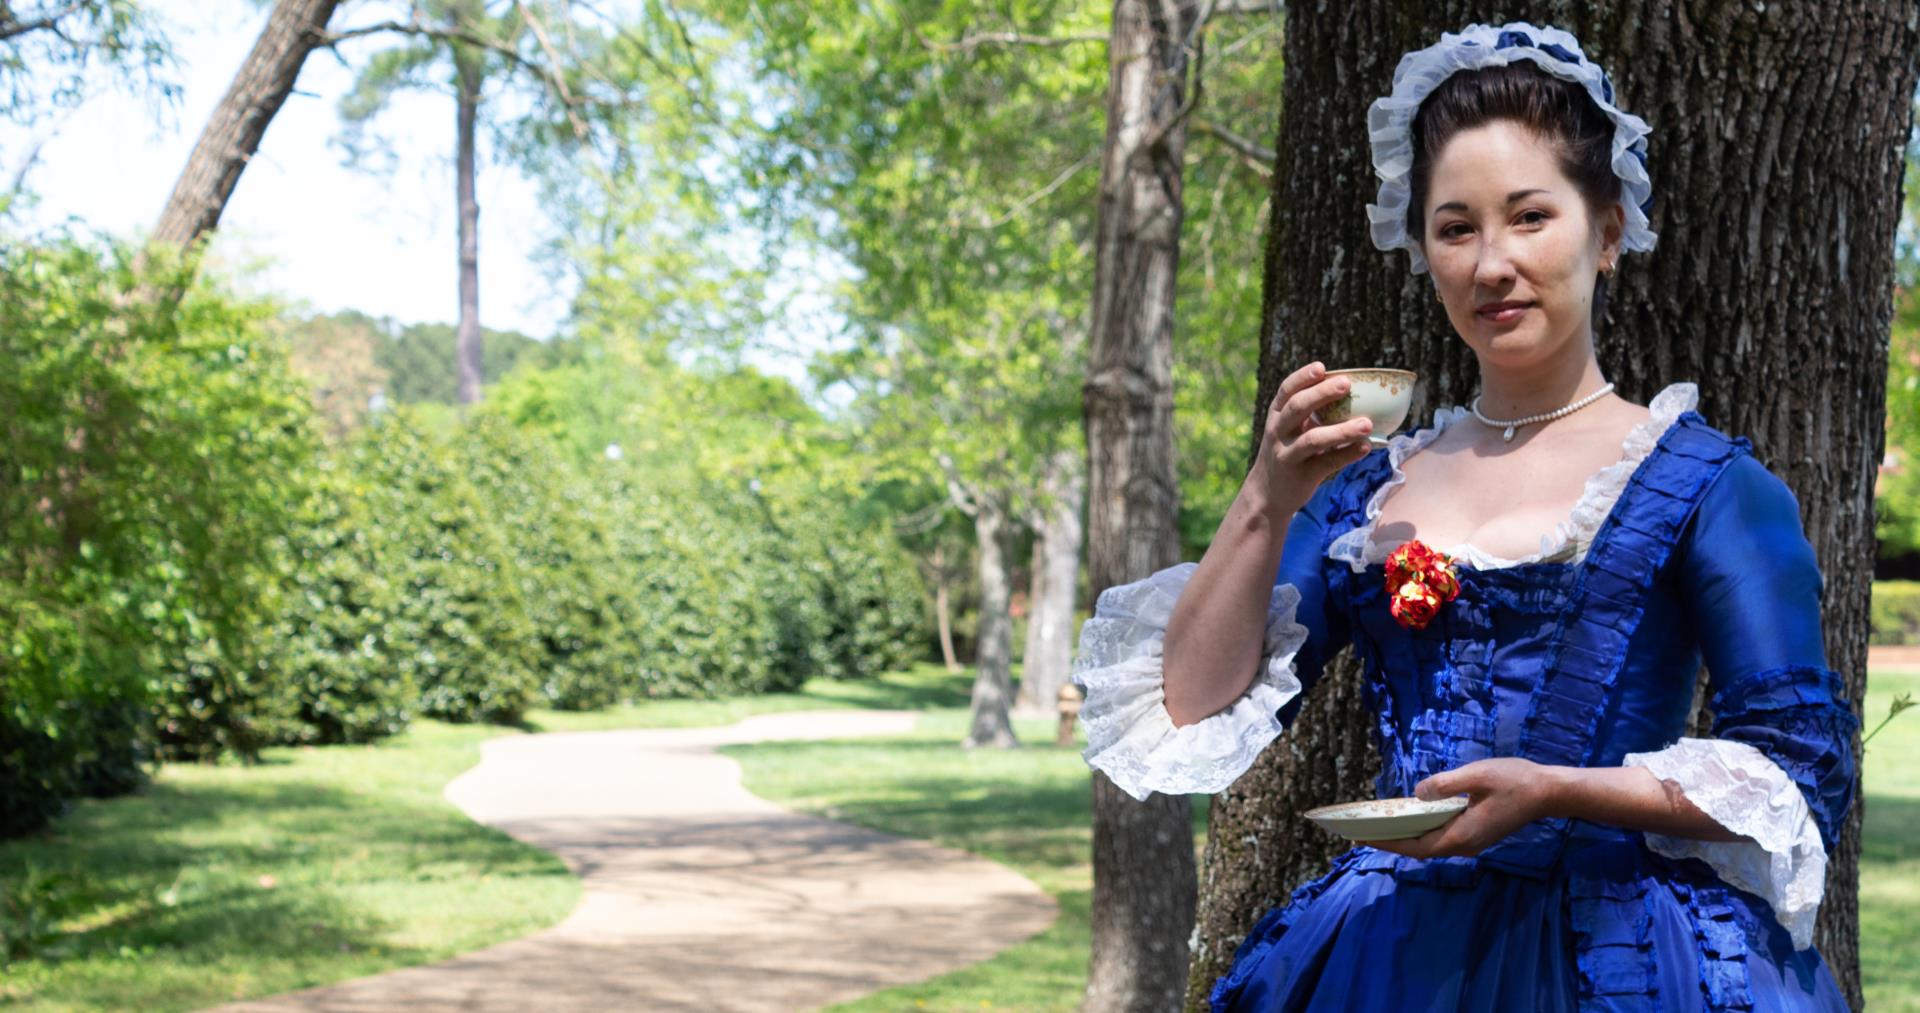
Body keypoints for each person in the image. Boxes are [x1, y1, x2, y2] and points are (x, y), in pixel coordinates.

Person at [1068, 20, 1858, 1011]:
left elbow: (1797, 768)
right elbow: (1190, 702)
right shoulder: (1367, 491)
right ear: (1426, 250)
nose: (1493, 263)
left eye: (1530, 216)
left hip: (1627, 955)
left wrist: (1561, 789)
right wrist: (1265, 498)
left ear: (1607, 232)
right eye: (1456, 227)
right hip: (1388, 956)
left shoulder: (1709, 485)